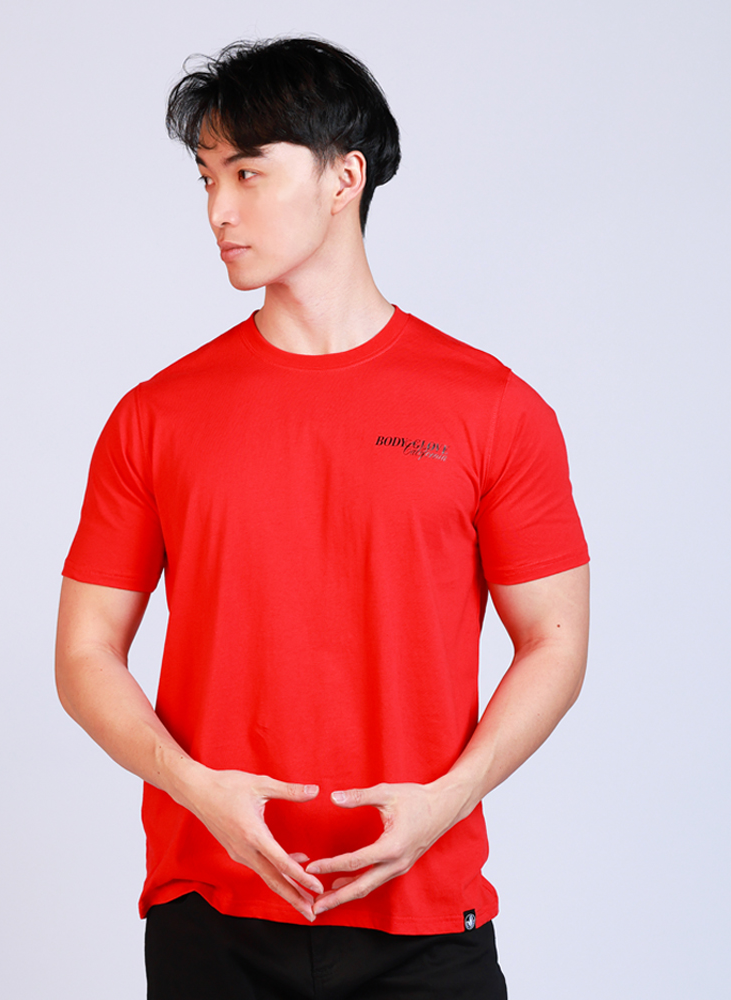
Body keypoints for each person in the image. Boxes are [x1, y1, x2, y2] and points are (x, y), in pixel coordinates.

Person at [55, 37, 589, 999]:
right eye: (207, 178)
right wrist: (195, 788)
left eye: (248, 172)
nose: (218, 210)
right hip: (212, 912)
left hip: (426, 917)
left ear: (345, 178)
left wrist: (450, 799)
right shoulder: (156, 416)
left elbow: (554, 639)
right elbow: (85, 650)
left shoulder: (494, 409)